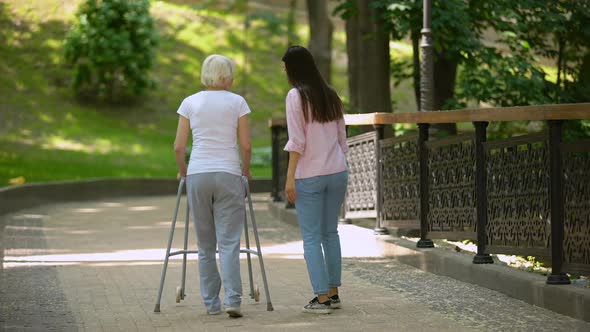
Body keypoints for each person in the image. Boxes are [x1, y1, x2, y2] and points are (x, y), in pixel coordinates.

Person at [173, 54, 252, 318]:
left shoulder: (190, 102)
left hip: (198, 174)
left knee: (205, 244)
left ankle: (211, 304)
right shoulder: (237, 102)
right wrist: (246, 169)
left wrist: (184, 171)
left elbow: (179, 147)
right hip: (229, 173)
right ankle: (233, 299)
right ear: (226, 75)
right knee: (229, 242)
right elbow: (246, 145)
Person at [282, 45, 349, 314]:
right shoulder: (331, 95)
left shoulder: (295, 96)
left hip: (309, 175)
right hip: (337, 172)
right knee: (330, 233)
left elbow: (297, 141)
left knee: (311, 237)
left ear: (292, 68)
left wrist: (289, 178)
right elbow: (342, 139)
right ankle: (333, 293)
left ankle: (321, 299)